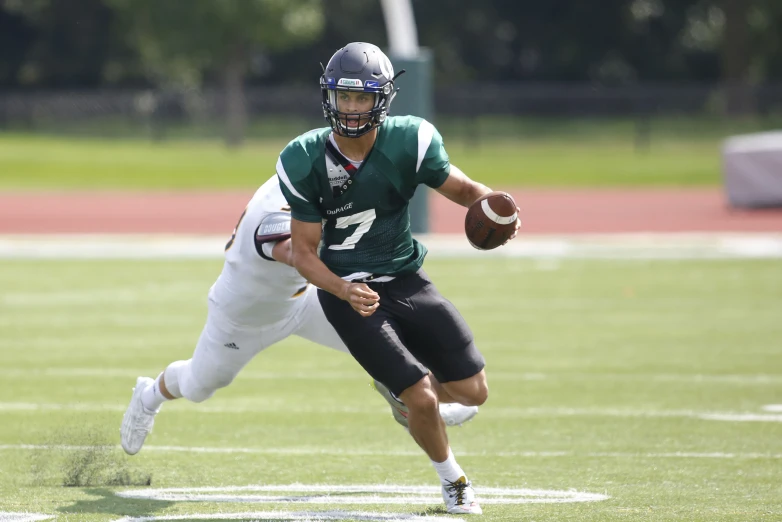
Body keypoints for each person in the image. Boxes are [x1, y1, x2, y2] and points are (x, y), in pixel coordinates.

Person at [278, 42, 521, 515]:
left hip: (405, 277)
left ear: (382, 100)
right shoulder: (306, 157)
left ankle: (398, 392)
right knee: (424, 399)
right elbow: (304, 254)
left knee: (475, 391)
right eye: (343, 97)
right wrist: (342, 288)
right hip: (349, 292)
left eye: (361, 98)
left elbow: (466, 189)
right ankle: (453, 480)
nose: (351, 108)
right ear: (329, 97)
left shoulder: (409, 140)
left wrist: (499, 207)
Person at [119, 175, 480, 457]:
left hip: (305, 301)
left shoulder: (318, 183)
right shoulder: (275, 211)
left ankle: (405, 400)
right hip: (243, 320)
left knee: (384, 336)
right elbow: (296, 252)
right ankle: (148, 395)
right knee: (200, 386)